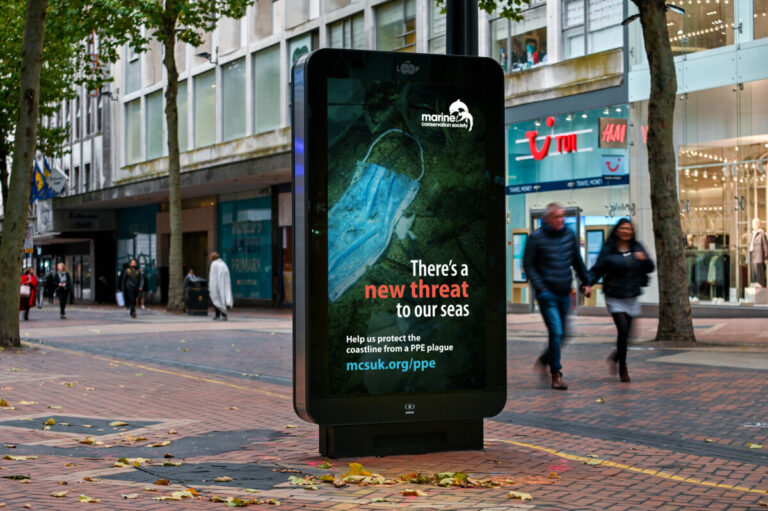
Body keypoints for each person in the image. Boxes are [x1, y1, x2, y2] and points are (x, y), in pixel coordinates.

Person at [523, 203, 591, 390]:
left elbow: (577, 261)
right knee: (556, 332)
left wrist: (585, 282)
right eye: (556, 216)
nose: (560, 220)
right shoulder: (536, 238)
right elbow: (528, 265)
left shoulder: (569, 235)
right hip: (548, 295)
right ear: (547, 219)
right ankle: (556, 374)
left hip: (564, 293)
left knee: (565, 335)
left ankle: (545, 359)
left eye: (562, 216)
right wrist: (541, 289)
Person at [589, 218, 654, 383]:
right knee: (623, 329)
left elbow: (651, 267)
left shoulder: (637, 247)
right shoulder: (608, 249)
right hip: (614, 295)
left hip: (632, 295)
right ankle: (623, 367)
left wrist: (644, 259)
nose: (626, 231)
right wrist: (587, 284)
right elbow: (597, 269)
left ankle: (616, 356)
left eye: (629, 229)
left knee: (629, 334)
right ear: (617, 230)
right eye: (623, 228)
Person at [208, 252, 232, 321]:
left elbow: (212, 277)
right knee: (222, 299)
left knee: (216, 300)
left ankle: (217, 315)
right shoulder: (223, 264)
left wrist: (211, 286)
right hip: (223, 286)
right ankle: (223, 314)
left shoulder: (214, 264)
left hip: (216, 285)